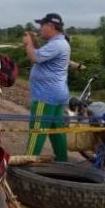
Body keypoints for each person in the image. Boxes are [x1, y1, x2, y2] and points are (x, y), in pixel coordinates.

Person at [23, 13, 71, 162]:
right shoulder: (58, 43)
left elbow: (34, 57)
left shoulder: (57, 44)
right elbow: (40, 55)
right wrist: (34, 42)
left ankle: (28, 163)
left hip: (46, 96)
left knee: (37, 131)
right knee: (56, 130)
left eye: (42, 26)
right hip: (56, 94)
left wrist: (28, 43)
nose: (40, 29)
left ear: (51, 26)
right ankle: (62, 161)